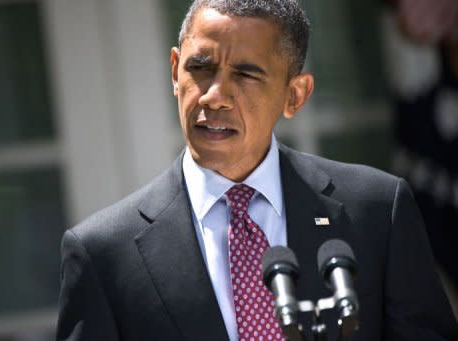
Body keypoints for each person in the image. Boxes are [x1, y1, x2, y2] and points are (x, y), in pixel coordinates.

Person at [56, 1, 458, 340]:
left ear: (294, 95)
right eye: (200, 67)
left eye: (246, 75)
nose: (214, 97)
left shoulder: (376, 210)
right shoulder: (102, 253)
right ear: (175, 70)